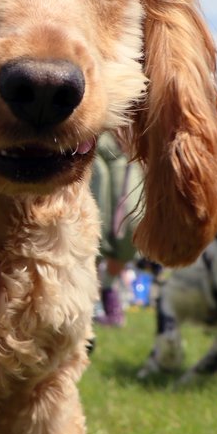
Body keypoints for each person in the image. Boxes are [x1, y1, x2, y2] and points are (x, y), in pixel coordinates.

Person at [89, 131, 144, 327]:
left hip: (124, 147)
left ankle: (108, 288)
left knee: (132, 224)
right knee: (92, 227)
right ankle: (91, 303)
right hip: (90, 140)